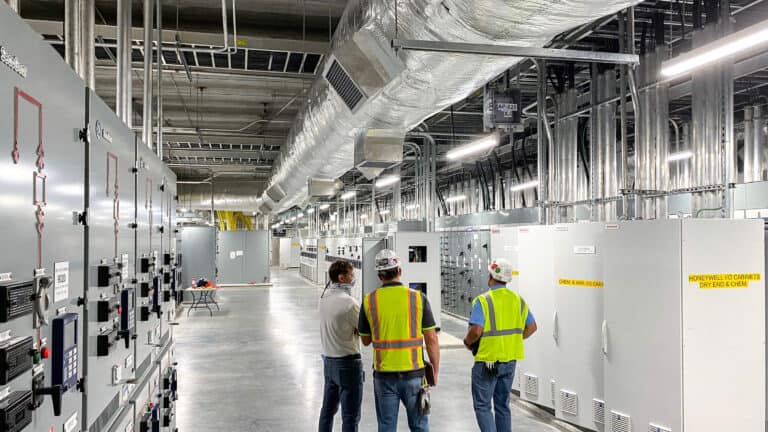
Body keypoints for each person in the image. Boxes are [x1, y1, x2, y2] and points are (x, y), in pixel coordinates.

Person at [358, 249, 440, 432]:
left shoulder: (369, 301)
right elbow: (432, 339)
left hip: (384, 375)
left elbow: (365, 341)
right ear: (400, 271)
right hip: (414, 375)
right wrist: (434, 370)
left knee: (386, 427)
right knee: (419, 426)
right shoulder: (418, 298)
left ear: (379, 275)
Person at [463, 258, 537, 432]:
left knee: (482, 405)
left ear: (490, 276)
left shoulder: (483, 301)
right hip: (510, 360)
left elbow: (476, 331)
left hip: (488, 361)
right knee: (503, 406)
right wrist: (514, 340)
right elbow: (532, 327)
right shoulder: (518, 300)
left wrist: (467, 342)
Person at [318, 260, 364, 432]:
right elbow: (364, 332)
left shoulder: (324, 298)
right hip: (348, 364)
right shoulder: (349, 303)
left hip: (329, 362)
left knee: (327, 412)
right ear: (342, 277)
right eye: (351, 275)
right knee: (350, 417)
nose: (354, 278)